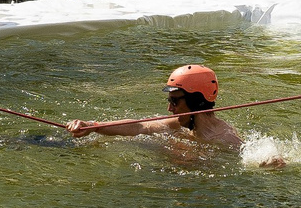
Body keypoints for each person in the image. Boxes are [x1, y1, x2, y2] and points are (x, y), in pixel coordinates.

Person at [67, 63, 241, 156]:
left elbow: (249, 156)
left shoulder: (225, 138)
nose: (169, 108)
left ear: (196, 102)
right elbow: (140, 127)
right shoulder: (177, 124)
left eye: (174, 101)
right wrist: (93, 126)